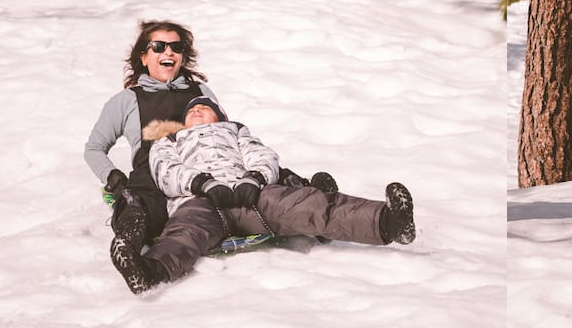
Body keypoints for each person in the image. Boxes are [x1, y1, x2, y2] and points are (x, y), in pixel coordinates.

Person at [109, 95, 416, 294]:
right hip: (199, 200)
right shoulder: (169, 141)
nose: (198, 110)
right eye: (192, 110)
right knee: (186, 232)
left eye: (205, 108)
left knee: (306, 205)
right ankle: (150, 272)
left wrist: (254, 179)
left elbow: (262, 155)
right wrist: (201, 184)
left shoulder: (235, 131)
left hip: (250, 195)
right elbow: (165, 171)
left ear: (220, 116)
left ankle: (387, 222)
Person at [84, 20, 329, 243]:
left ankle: (310, 199)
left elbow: (226, 132)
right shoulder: (126, 100)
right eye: (158, 46)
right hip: (154, 171)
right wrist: (114, 179)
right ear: (144, 57)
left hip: (209, 161)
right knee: (147, 204)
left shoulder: (200, 91)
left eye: (176, 47)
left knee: (262, 184)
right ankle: (133, 227)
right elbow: (94, 149)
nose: (168, 52)